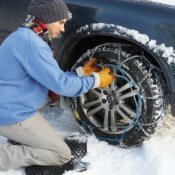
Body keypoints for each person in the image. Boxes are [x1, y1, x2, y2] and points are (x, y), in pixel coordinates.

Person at [0, 0, 114, 171]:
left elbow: (51, 77)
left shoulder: (26, 36)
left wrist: (81, 74)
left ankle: (23, 137)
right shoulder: (33, 45)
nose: (62, 29)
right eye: (61, 23)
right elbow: (61, 85)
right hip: (12, 115)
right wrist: (96, 80)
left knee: (46, 97)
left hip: (13, 104)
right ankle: (4, 156)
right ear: (47, 18)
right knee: (61, 154)